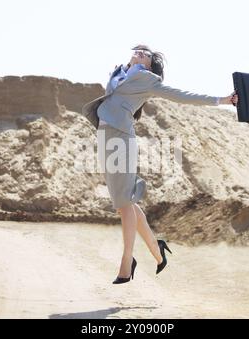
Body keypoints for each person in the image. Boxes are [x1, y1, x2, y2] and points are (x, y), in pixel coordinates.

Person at [82, 44, 238, 284]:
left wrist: (223, 99)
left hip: (121, 138)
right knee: (125, 200)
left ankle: (127, 261)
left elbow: (183, 95)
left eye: (146, 55)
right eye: (140, 51)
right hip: (105, 135)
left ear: (149, 66)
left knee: (123, 202)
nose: (140, 53)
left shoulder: (148, 80)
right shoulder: (120, 72)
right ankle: (157, 251)